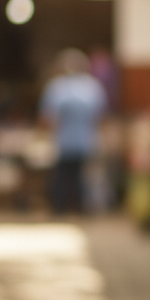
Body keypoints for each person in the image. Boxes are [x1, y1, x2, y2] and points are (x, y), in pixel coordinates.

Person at [40, 49, 107, 214]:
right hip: (85, 141)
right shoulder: (92, 87)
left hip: (65, 142)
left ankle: (61, 209)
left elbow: (48, 118)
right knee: (81, 177)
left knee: (63, 177)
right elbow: (101, 117)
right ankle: (81, 208)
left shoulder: (57, 87)